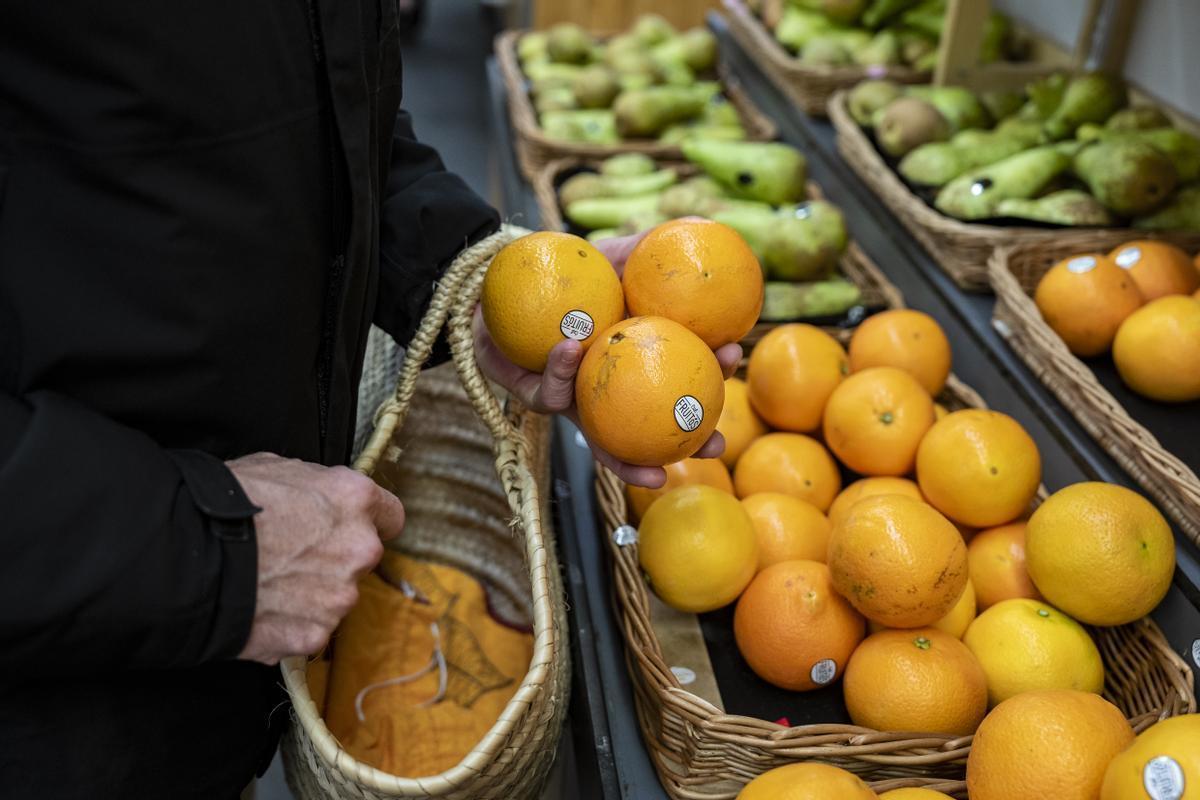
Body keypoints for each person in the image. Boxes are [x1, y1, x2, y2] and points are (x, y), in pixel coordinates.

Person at [0, 3, 741, 798]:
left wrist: (468, 280)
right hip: (55, 702)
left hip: (200, 664)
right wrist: (203, 554)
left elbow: (326, 120)